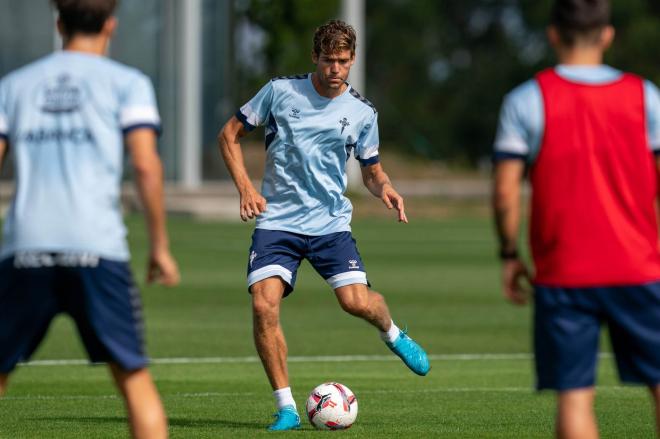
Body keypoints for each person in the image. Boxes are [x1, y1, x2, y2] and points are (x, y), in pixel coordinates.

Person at [219, 19, 430, 431]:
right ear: (315, 57)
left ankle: (392, 333)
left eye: (344, 61)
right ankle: (286, 408)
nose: (336, 68)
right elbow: (228, 135)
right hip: (277, 222)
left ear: (352, 61)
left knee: (355, 302)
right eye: (329, 60)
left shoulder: (362, 112)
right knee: (263, 305)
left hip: (330, 225)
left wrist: (385, 187)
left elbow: (371, 170)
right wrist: (246, 188)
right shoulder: (280, 92)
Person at [0, 0, 180, 438]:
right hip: (97, 248)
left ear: (59, 23)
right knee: (133, 379)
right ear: (111, 26)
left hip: (25, 246)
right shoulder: (128, 83)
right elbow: (145, 166)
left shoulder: (16, 85)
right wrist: (159, 246)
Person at [492, 0, 660, 437]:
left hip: (564, 272)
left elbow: (506, 191)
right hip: (639, 266)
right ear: (607, 35)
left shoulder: (525, 99)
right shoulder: (646, 96)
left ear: (552, 35)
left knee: (575, 396)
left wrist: (509, 253)